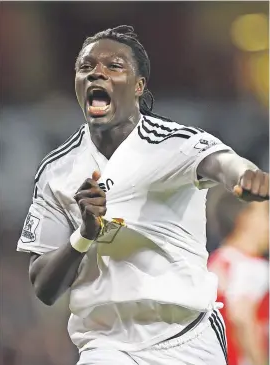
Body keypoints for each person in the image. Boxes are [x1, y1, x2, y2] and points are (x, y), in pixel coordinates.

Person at [17, 25, 269, 365]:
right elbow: (44, 287)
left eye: (114, 66)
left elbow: (221, 162)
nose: (97, 74)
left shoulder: (173, 143)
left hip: (187, 338)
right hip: (106, 346)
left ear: (139, 86)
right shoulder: (55, 170)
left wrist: (246, 175)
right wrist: (84, 235)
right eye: (86, 67)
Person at [208, 198, 269, 365]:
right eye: (266, 214)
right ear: (245, 219)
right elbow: (242, 317)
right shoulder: (251, 266)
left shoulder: (215, 261)